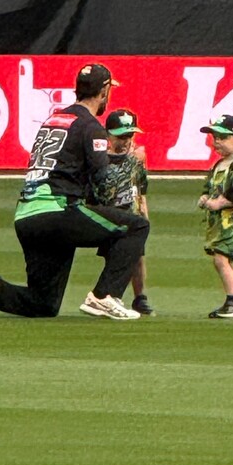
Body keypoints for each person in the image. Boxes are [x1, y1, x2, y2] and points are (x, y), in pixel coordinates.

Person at [0, 63, 150, 321]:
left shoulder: (52, 121)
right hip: (58, 212)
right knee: (136, 227)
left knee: (44, 303)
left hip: (27, 216)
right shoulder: (91, 127)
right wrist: (131, 163)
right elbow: (103, 182)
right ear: (103, 92)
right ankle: (104, 296)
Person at [85, 108, 154, 316]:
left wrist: (144, 211)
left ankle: (140, 297)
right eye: (121, 136)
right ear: (108, 135)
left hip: (131, 213)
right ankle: (109, 295)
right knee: (115, 257)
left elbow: (140, 186)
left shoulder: (137, 157)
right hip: (108, 215)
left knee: (137, 257)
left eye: (129, 135)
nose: (125, 141)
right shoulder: (99, 158)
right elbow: (100, 189)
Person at [197, 114, 233, 319]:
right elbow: (209, 186)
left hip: (232, 222)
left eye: (223, 137)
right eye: (215, 138)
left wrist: (217, 203)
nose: (217, 142)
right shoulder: (219, 165)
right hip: (218, 223)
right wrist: (205, 197)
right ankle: (232, 298)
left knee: (221, 259)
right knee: (226, 260)